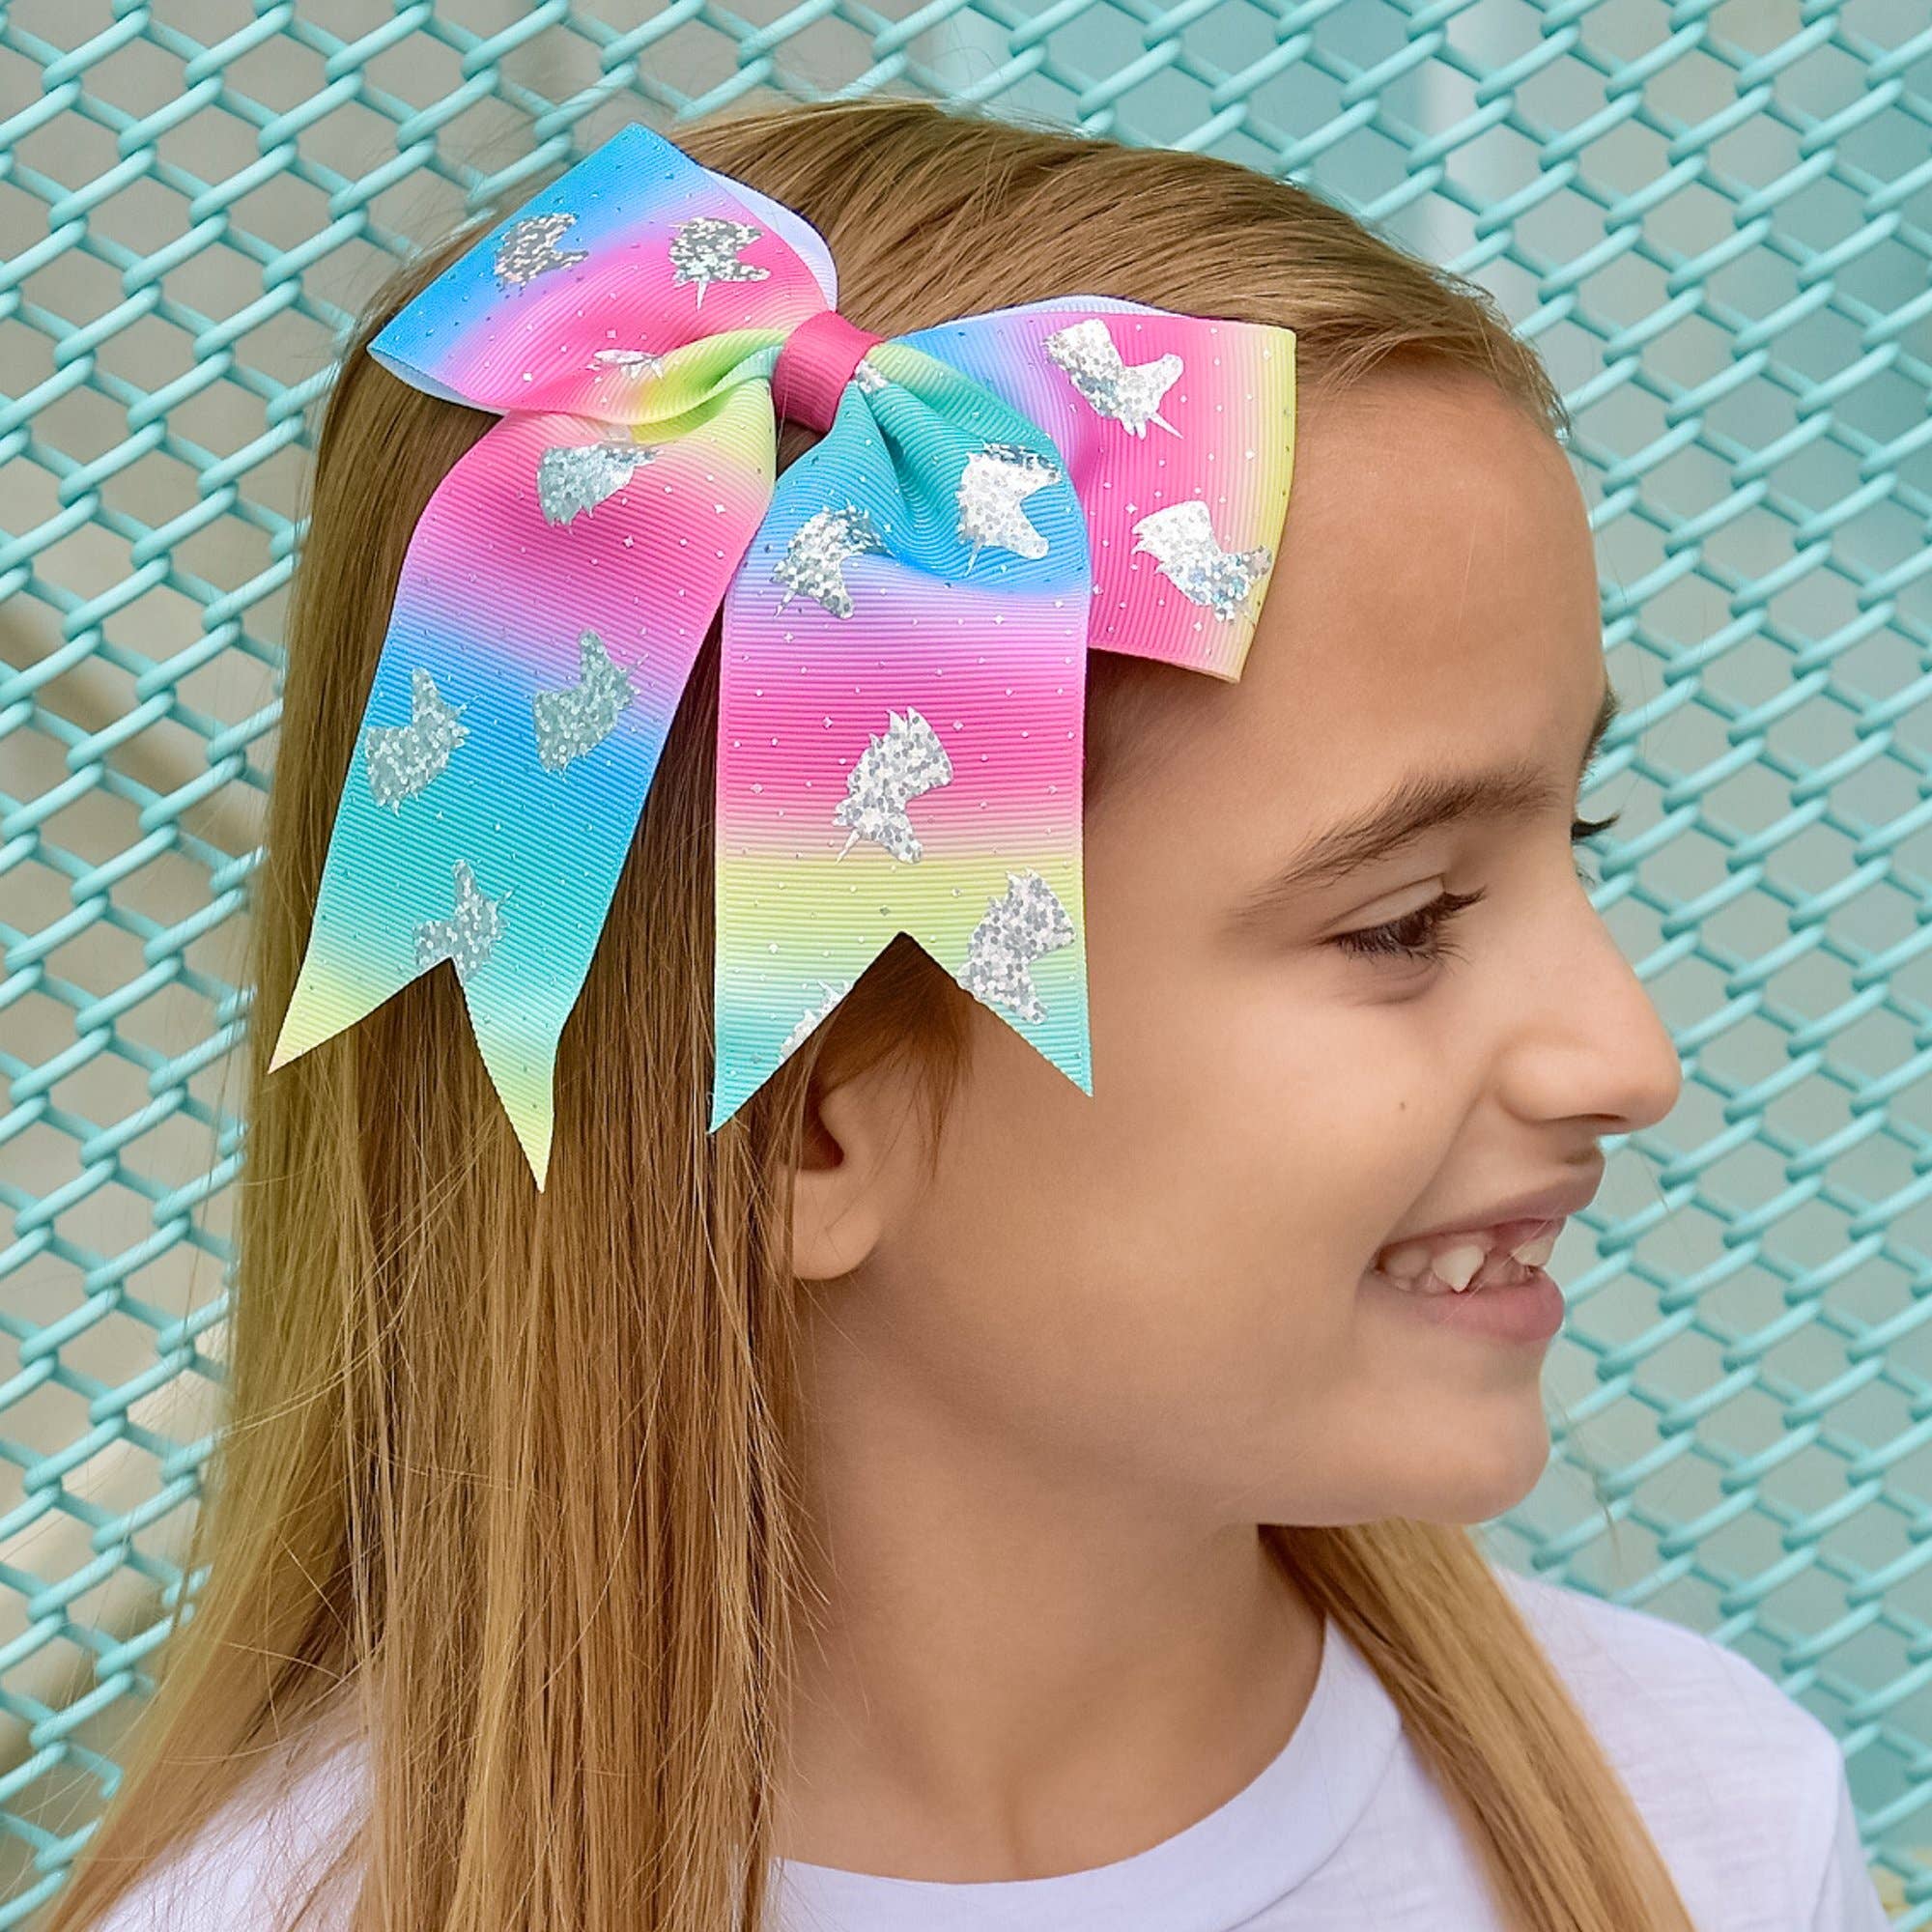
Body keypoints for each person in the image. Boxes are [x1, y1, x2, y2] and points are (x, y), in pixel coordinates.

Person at [46, 96, 1889, 1932]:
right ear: (805, 1109)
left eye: (1584, 838)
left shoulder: (1714, 1834)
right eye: (1403, 924)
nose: (1627, 1057)